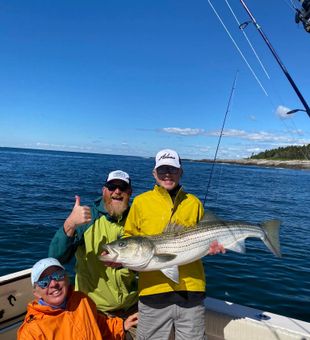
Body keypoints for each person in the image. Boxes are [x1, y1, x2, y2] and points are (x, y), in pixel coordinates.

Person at [124, 149, 224, 340]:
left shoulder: (193, 203)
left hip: (191, 293)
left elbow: (208, 237)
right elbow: (129, 239)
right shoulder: (140, 202)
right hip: (152, 294)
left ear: (181, 172)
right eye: (162, 170)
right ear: (154, 173)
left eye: (172, 169)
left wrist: (214, 246)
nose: (167, 174)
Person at [48, 170, 138, 337]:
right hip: (94, 311)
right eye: (112, 187)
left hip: (133, 309)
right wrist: (70, 224)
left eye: (122, 187)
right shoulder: (87, 219)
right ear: (104, 190)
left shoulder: (138, 219)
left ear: (130, 193)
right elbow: (56, 259)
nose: (117, 191)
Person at [18, 257, 138, 340]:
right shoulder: (31, 331)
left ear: (66, 278)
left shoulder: (81, 300)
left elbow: (100, 325)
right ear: (36, 292)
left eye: (57, 276)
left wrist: (121, 326)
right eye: (44, 282)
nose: (53, 283)